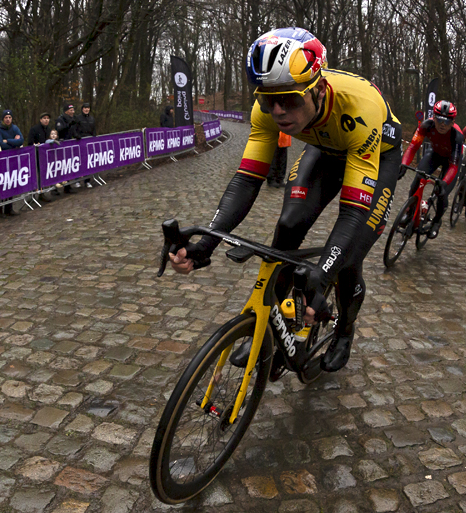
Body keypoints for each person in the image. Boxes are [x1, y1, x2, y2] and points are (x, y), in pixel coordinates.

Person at [169, 27, 402, 373]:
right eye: (267, 99)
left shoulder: (360, 108)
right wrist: (207, 242)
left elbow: (353, 214)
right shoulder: (267, 110)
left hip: (375, 155)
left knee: (347, 259)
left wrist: (323, 274)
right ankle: (271, 331)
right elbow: (247, 180)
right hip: (325, 149)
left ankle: (344, 333)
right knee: (288, 226)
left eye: (290, 99)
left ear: (319, 89)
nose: (278, 111)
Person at [401, 99, 464, 238]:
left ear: (453, 122)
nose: (442, 124)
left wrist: (444, 182)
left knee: (442, 193)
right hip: (434, 154)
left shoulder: (457, 136)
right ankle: (410, 212)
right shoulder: (426, 125)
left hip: (451, 162)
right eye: (439, 119)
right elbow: (413, 147)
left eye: (447, 121)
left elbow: (453, 166)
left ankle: (436, 221)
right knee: (417, 180)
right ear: (433, 117)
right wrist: (404, 164)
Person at [73, 103, 97, 188]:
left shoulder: (92, 118)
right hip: (80, 142)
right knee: (78, 162)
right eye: (85, 108)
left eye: (88, 108)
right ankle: (77, 181)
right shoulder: (78, 118)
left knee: (88, 162)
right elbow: (74, 129)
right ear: (82, 109)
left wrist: (94, 138)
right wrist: (77, 136)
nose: (86, 109)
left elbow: (94, 130)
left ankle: (87, 181)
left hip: (89, 143)